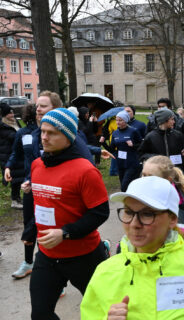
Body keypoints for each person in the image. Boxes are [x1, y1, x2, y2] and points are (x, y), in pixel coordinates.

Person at [80, 176, 184, 319]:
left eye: (147, 214)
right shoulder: (105, 273)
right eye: (128, 212)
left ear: (172, 220)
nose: (134, 224)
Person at [26, 108, 109, 319]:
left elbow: (100, 213)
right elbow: (42, 205)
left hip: (85, 255)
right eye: (42, 131)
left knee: (103, 312)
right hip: (47, 255)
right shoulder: (37, 165)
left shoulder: (85, 170)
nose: (44, 137)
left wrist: (65, 232)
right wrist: (30, 231)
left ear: (68, 136)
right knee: (40, 314)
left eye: (52, 133)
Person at [4, 104, 38, 279]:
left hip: (46, 185)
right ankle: (28, 262)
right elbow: (15, 154)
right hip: (28, 186)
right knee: (28, 224)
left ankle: (49, 267)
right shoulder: (22, 133)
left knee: (47, 225)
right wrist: (8, 166)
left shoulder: (47, 133)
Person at [142, 156, 184, 246]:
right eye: (144, 175)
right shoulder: (144, 196)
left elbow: (181, 245)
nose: (145, 180)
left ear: (168, 180)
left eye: (151, 176)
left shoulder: (177, 210)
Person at [139, 108, 184, 178]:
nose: (174, 122)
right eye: (172, 119)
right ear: (164, 120)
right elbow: (141, 154)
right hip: (158, 175)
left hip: (176, 176)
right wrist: (155, 158)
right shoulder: (150, 137)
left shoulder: (178, 135)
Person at [109, 110, 143, 192]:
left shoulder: (133, 131)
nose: (118, 122)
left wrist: (133, 145)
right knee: (124, 186)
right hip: (120, 163)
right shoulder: (115, 133)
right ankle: (129, 203)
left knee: (124, 186)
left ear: (126, 120)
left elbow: (142, 145)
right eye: (117, 120)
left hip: (132, 163)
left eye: (120, 120)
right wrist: (102, 143)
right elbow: (112, 149)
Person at [0, 103, 24, 209]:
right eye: (10, 113)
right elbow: (13, 137)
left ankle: (17, 198)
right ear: (5, 115)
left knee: (18, 177)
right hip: (8, 155)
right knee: (14, 178)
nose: (12, 114)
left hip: (16, 153)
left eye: (12, 112)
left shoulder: (15, 122)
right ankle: (14, 200)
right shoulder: (2, 126)